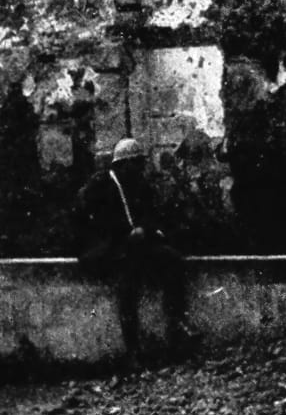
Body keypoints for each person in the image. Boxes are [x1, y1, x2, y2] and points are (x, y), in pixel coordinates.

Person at [75, 137, 197, 363]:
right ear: (122, 164)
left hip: (136, 246)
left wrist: (144, 230)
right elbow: (93, 222)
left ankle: (178, 325)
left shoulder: (140, 186)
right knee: (128, 283)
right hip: (107, 249)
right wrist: (124, 233)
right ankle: (133, 349)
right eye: (136, 163)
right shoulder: (100, 186)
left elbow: (152, 216)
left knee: (172, 260)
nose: (141, 168)